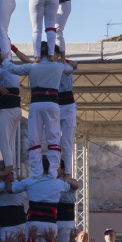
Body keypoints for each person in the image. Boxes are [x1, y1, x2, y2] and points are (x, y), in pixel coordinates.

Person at [4, 42, 73, 178]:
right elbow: (70, 68)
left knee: (34, 139)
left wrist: (5, 58)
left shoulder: (32, 67)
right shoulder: (59, 66)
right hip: (53, 104)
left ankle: (36, 173)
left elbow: (12, 69)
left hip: (37, 103)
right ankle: (53, 173)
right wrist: (62, 58)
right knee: (53, 139)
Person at [5, 156, 77, 242]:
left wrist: (7, 177)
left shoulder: (29, 182)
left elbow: (10, 189)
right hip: (50, 223)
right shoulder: (59, 183)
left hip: (33, 223)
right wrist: (66, 176)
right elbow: (72, 186)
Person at [0, 46, 21, 169]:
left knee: (3, 142)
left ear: (2, 56)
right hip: (14, 108)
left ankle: (9, 170)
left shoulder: (6, 69)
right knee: (10, 143)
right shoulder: (7, 69)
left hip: (8, 109)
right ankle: (11, 171)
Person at [54, 45, 77, 177]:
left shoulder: (65, 65)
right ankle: (55, 171)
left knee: (67, 142)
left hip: (68, 106)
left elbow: (75, 64)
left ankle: (67, 172)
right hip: (56, 105)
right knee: (54, 141)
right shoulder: (49, 67)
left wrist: (64, 59)